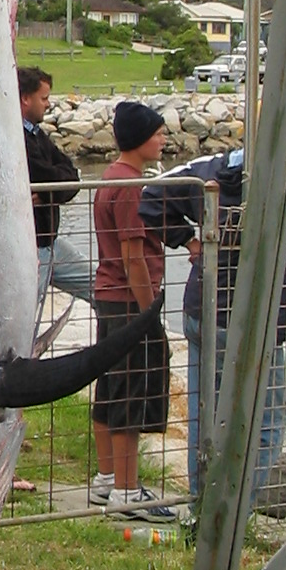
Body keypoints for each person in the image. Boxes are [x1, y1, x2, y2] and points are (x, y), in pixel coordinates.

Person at [140, 150, 286, 495]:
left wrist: (191, 241)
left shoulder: (204, 171)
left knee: (204, 415)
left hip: (203, 309)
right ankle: (238, 511)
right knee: (267, 421)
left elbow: (149, 196)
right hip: (258, 321)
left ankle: (202, 505)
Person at [90, 101, 175, 521]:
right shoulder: (131, 185)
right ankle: (126, 490)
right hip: (127, 299)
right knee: (129, 391)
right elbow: (133, 254)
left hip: (107, 296)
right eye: (158, 133)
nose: (163, 140)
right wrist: (149, 314)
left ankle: (107, 478)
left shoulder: (111, 176)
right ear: (140, 138)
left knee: (108, 386)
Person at [18, 66, 91, 314]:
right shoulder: (17, 139)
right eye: (44, 98)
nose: (48, 105)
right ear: (25, 99)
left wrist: (50, 192)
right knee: (26, 315)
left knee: (99, 284)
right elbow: (48, 174)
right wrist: (57, 185)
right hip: (32, 247)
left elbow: (72, 176)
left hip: (51, 242)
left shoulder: (38, 135)